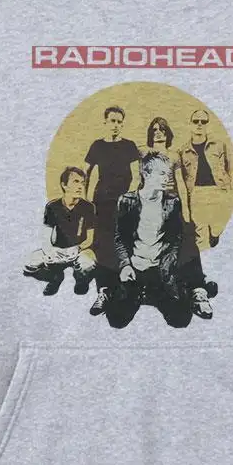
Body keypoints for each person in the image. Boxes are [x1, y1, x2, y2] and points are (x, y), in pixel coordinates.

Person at [140, 115, 216, 319]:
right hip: (151, 206)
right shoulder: (144, 153)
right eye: (154, 130)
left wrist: (186, 214)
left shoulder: (174, 156)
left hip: (172, 205)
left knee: (187, 242)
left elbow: (181, 184)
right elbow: (138, 180)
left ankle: (198, 289)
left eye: (162, 129)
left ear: (168, 133)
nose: (158, 133)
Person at [106, 151, 192, 329]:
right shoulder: (127, 201)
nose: (167, 178)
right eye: (161, 174)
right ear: (146, 174)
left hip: (160, 268)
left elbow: (175, 239)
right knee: (116, 320)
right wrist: (125, 265)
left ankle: (154, 292)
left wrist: (168, 265)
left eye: (168, 174)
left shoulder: (173, 202)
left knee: (181, 320)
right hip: (135, 268)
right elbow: (120, 238)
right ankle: (130, 291)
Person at [84, 105, 140, 315]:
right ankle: (104, 291)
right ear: (105, 122)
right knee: (103, 246)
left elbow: (136, 176)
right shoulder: (97, 146)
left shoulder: (129, 146)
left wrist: (128, 198)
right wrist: (86, 202)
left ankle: (125, 289)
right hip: (101, 203)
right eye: (112, 121)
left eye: (119, 121)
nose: (115, 125)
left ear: (122, 124)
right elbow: (85, 172)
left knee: (124, 243)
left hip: (124, 203)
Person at [23, 166, 96, 296]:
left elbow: (90, 238)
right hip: (57, 251)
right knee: (29, 264)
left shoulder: (88, 207)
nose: (80, 186)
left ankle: (81, 280)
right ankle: (54, 278)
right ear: (64, 185)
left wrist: (78, 248)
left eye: (82, 183)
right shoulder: (52, 206)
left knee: (89, 264)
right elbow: (46, 235)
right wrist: (50, 252)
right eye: (76, 182)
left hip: (77, 251)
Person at [178, 109, 233, 258]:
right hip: (196, 194)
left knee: (218, 230)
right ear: (190, 124)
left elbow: (229, 168)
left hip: (218, 191)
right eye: (196, 121)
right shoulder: (183, 151)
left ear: (208, 124)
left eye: (203, 122)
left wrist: (228, 190)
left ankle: (215, 238)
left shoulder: (219, 145)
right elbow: (182, 178)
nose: (199, 124)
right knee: (200, 236)